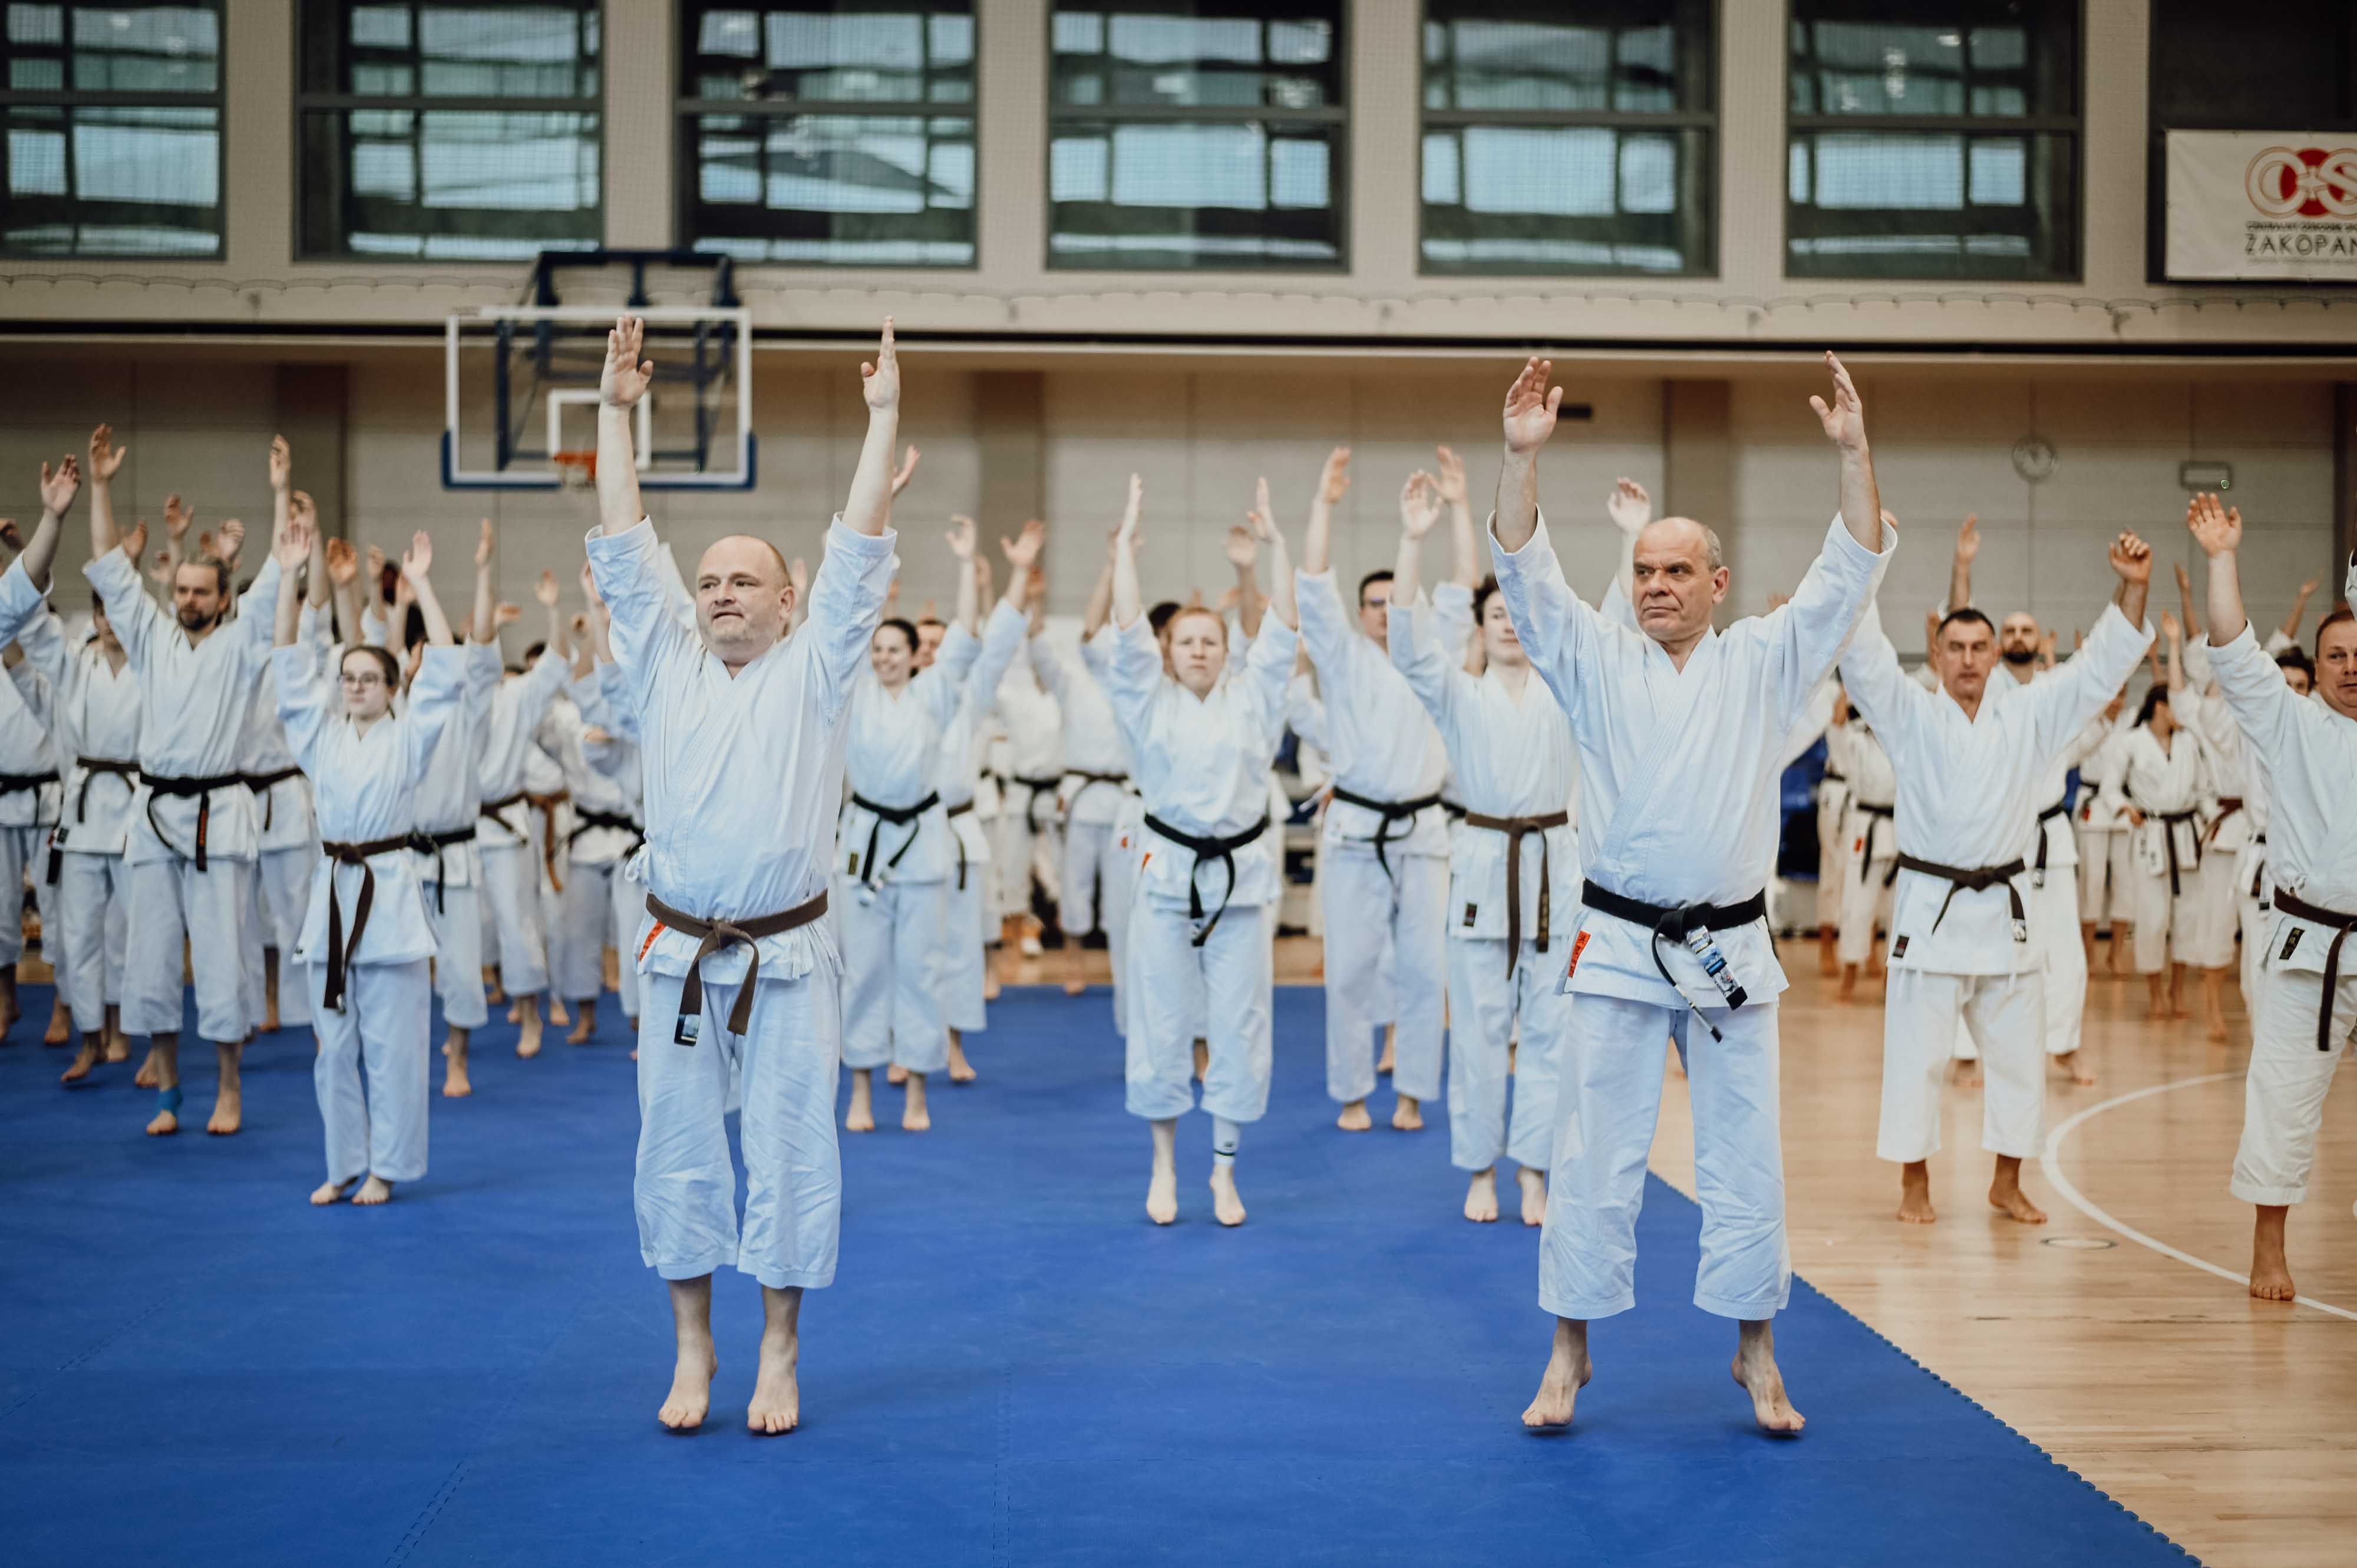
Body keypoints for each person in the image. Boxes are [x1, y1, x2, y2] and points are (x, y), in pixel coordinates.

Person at [1495, 351, 1891, 1435]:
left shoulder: (1764, 661)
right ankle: (1569, 1353)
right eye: (1646, 572)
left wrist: (1856, 454)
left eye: (1680, 571)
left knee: (1744, 1157)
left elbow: (1849, 566)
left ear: (1718, 584)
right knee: (1594, 1152)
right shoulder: (1593, 661)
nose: (1658, 585)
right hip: (1619, 946)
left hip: (1729, 951)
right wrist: (1519, 460)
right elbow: (1527, 574)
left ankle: (1756, 1353)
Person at [589, 312, 901, 1434]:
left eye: (744, 580)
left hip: (787, 950)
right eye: (710, 578)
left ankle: (778, 1347)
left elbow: (860, 547)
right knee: (675, 1155)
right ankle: (691, 1347)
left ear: (786, 601)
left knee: (787, 1150)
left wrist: (882, 421)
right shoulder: (664, 662)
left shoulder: (818, 668)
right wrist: (617, 415)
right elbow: (626, 540)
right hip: (678, 948)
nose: (721, 591)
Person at [1840, 530, 2151, 1226]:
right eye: (1956, 647)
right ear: (1938, 654)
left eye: (1981, 647)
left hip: (2008, 912)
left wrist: (2131, 587)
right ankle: (1914, 1184)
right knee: (1916, 1058)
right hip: (1931, 907)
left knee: (2017, 1059)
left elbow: (2097, 671)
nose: (1970, 659)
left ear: (1997, 656)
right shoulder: (1910, 712)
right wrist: (1869, 552)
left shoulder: (2029, 713)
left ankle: (2006, 1182)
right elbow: (1860, 655)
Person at [1104, 473, 1298, 1227]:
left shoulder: (1256, 695)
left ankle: (1222, 1170)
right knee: (1159, 1019)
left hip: (1241, 882)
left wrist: (1276, 546)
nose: (1196, 651)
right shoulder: (1143, 699)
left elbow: (1282, 627)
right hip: (1164, 876)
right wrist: (1124, 544)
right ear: (1167, 650)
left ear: (1226, 648)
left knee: (1238, 1022)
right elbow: (1124, 631)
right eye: (1184, 641)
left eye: (1209, 641)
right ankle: (1162, 1166)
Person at [87, 430, 286, 1137]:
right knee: (151, 955)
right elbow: (113, 571)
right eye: (182, 590)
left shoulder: (241, 643)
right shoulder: (150, 638)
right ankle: (169, 1091)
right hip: (154, 813)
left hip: (219, 814)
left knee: (225, 957)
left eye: (203, 590)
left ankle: (228, 1088)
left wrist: (276, 495)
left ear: (225, 596)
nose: (190, 598)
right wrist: (103, 485)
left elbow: (276, 589)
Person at [2184, 492, 2357, 1302]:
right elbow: (2233, 648)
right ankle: (2267, 1247)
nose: (2352, 664)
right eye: (2337, 654)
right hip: (2308, 946)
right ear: (2316, 666)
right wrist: (2222, 560)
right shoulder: (2289, 725)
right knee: (2284, 1097)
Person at [1388, 468, 1571, 1227]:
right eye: (1493, 613)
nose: (1505, 623)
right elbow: (1408, 645)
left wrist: (1630, 539)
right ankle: (1479, 1170)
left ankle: (1533, 1169)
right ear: (1481, 626)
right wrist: (1411, 540)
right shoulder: (1460, 694)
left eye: (1516, 612)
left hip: (1557, 874)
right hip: (1481, 869)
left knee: (1552, 1038)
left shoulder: (1571, 689)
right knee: (1480, 1032)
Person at [272, 517, 463, 1205]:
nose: (354, 686)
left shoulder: (407, 740)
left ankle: (389, 1166)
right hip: (331, 896)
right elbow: (289, 669)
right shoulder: (322, 741)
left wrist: (418, 585)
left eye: (368, 678)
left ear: (390, 688)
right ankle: (341, 1163)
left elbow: (443, 668)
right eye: (347, 678)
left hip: (388, 898)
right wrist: (292, 578)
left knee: (394, 1049)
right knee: (333, 1049)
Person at [1296, 445, 1457, 1133]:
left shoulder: (1429, 657)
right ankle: (1354, 1095)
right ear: (1360, 612)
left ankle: (1414, 1094)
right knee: (1352, 970)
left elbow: (1458, 589)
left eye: (1395, 601)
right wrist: (1322, 506)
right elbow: (1313, 582)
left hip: (1422, 829)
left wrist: (1452, 513)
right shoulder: (1341, 657)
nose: (1382, 611)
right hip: (1357, 830)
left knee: (1425, 970)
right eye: (1372, 602)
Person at [1944, 519, 2112, 1085]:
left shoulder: (2055, 691)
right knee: (1981, 939)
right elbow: (1957, 624)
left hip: (2050, 837)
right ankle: (1968, 1053)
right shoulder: (1986, 690)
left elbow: (2101, 682)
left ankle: (2062, 1047)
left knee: (2064, 949)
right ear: (1996, 646)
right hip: (1996, 837)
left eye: (2025, 628)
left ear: (2040, 642)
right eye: (2007, 629)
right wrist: (1963, 568)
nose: (2015, 634)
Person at [836, 517, 981, 1134]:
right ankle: (862, 1090)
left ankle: (917, 1091)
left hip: (921, 847)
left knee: (922, 971)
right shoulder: (854, 694)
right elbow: (848, 623)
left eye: (895, 650)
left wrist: (968, 567)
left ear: (915, 657)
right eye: (877, 650)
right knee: (864, 969)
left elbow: (967, 638)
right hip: (864, 844)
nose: (885, 657)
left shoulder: (933, 694)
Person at [932, 523, 1045, 1084]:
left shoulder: (966, 699)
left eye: (939, 643)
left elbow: (992, 642)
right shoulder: (873, 702)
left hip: (953, 833)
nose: (931, 652)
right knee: (887, 953)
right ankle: (900, 1046)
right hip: (889, 838)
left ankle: (950, 1046)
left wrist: (1018, 573)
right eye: (921, 645)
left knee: (956, 949)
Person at [475, 574, 572, 1057]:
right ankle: (462, 1029)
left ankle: (532, 1013)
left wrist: (553, 611)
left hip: (506, 823)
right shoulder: (447, 699)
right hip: (453, 831)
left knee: (518, 922)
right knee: (473, 927)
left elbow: (554, 668)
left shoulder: (512, 696)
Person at [2106, 640, 2206, 1023]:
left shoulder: (2189, 743)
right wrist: (2124, 808)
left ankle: (2177, 989)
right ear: (2161, 706)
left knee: (2187, 916)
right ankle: (2154, 994)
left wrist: (2211, 821)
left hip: (2185, 836)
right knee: (2151, 918)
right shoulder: (2131, 742)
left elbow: (2202, 789)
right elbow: (2111, 788)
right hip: (2150, 834)